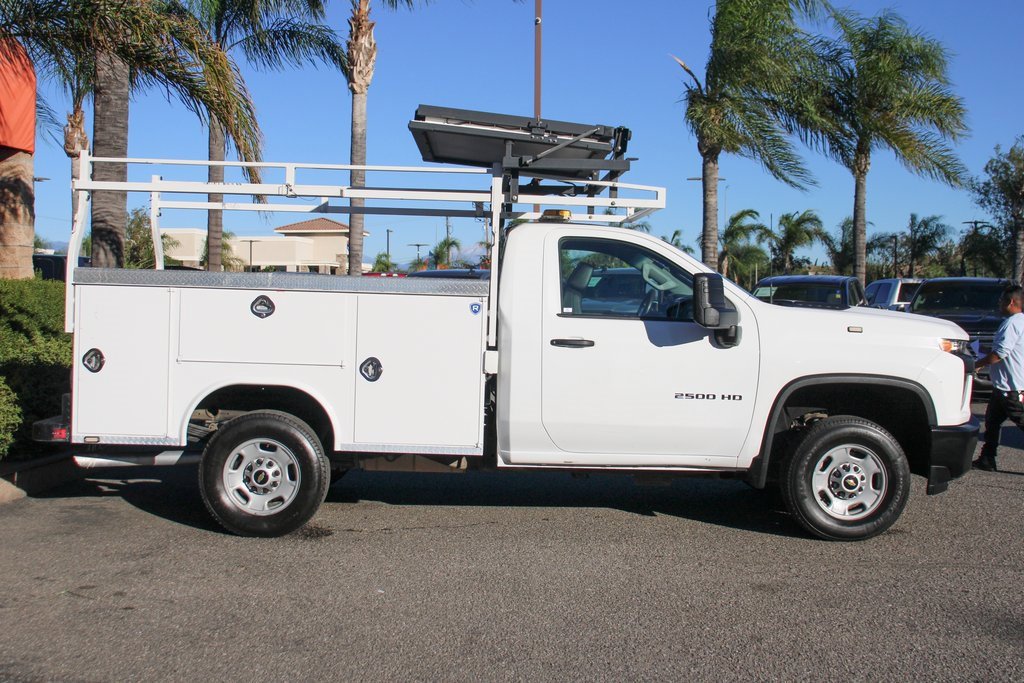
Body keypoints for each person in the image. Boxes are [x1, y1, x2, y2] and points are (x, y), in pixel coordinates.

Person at [974, 284, 1024, 471]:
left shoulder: (1012, 324)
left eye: (1002, 300)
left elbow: (1001, 353)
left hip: (1012, 387)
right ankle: (987, 459)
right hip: (1002, 386)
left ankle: (987, 458)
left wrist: (977, 364)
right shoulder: (1019, 322)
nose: (999, 303)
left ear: (1011, 302)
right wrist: (984, 351)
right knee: (992, 422)